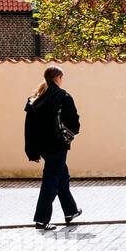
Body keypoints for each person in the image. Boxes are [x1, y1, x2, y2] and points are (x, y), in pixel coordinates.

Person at [24, 66, 82, 230]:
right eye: (61, 77)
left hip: (41, 146)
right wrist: (70, 134)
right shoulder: (63, 96)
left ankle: (70, 211)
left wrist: (31, 149)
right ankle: (41, 219)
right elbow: (74, 121)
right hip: (57, 145)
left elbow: (28, 126)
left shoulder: (36, 98)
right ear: (57, 77)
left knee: (62, 176)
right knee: (51, 180)